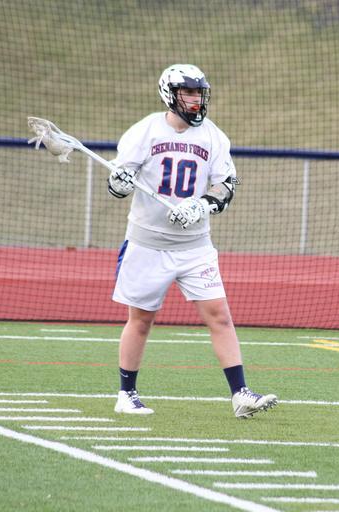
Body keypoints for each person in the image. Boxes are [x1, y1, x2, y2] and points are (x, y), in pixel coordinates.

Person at [106, 64, 277, 419]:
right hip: (148, 243)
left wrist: (202, 204)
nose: (196, 100)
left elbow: (226, 185)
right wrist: (119, 182)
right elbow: (120, 180)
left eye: (199, 92)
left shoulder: (213, 136)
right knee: (141, 319)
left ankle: (240, 393)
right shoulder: (145, 130)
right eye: (188, 92)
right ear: (170, 95)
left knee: (220, 316)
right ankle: (126, 394)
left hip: (195, 246)